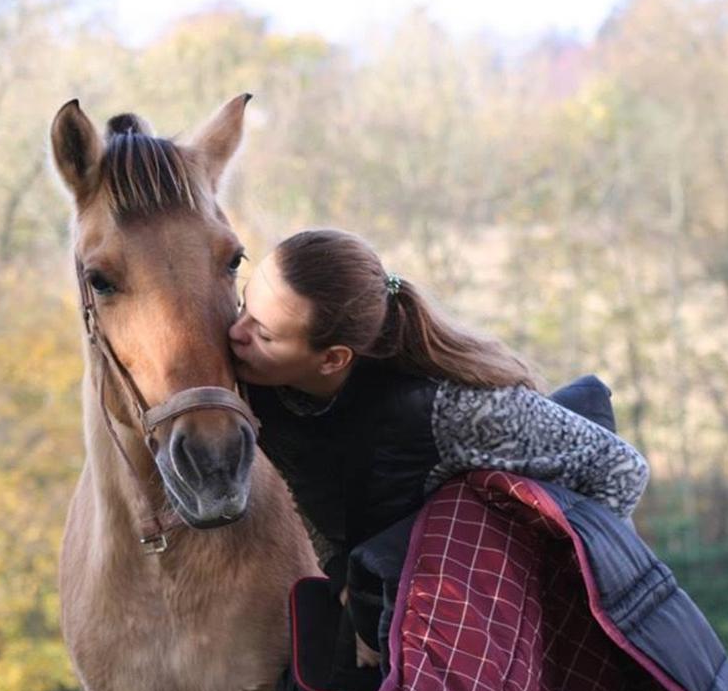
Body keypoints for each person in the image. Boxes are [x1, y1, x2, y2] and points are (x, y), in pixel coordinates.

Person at [228, 228, 650, 631]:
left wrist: (563, 592)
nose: (235, 333)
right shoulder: (261, 387)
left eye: (263, 334)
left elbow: (620, 467)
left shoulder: (450, 409)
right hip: (389, 600)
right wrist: (350, 597)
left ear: (332, 359)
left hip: (503, 606)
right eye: (245, 305)